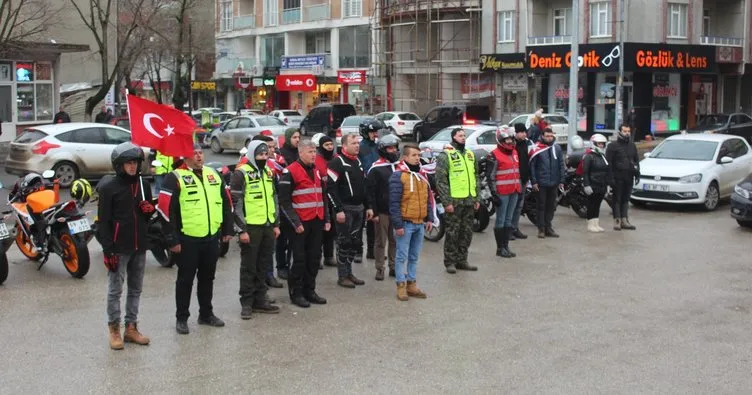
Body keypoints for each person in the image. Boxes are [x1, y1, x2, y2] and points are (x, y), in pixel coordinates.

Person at [158, 143, 234, 334]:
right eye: (195, 153)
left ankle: (206, 314)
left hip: (211, 237)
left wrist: (227, 229)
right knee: (185, 280)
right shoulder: (174, 177)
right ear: (185, 156)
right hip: (187, 239)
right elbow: (166, 211)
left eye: (201, 152)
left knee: (207, 278)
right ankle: (182, 318)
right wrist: (172, 240)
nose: (199, 156)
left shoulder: (214, 174)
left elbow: (227, 203)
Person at [96, 142, 153, 350]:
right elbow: (103, 221)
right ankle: (114, 330)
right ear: (119, 165)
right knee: (115, 290)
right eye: (128, 163)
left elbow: (146, 217)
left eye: (135, 163)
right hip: (118, 248)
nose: (132, 167)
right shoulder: (109, 187)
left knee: (136, 289)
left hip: (139, 246)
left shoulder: (143, 185)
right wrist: (107, 248)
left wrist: (148, 211)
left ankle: (131, 327)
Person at [231, 141, 281, 320]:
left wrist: (276, 224)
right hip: (250, 228)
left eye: (266, 155)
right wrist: (241, 229)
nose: (264, 158)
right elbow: (235, 205)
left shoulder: (268, 172)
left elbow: (274, 198)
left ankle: (261, 299)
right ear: (252, 155)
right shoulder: (241, 173)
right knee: (248, 267)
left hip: (267, 226)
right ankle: (246, 302)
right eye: (260, 155)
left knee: (263, 265)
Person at [278, 140, 330, 308]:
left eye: (315, 151)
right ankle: (296, 293)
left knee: (314, 258)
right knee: (298, 260)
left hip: (316, 220)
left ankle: (310, 290)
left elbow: (323, 196)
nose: (313, 154)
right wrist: (295, 222)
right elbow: (284, 201)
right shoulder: (290, 171)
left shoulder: (316, 170)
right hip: (299, 223)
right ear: (300, 153)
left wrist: (327, 219)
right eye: (310, 152)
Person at [388, 143, 433, 301]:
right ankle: (401, 285)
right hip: (405, 224)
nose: (417, 158)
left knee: (414, 256)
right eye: (413, 155)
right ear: (405, 157)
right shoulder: (398, 176)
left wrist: (429, 218)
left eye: (418, 155)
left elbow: (428, 198)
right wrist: (398, 225)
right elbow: (393, 203)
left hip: (419, 223)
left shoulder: (421, 176)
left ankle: (412, 284)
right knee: (401, 256)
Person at [327, 133, 372, 288]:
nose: (357, 145)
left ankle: (349, 272)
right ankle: (342, 276)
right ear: (344, 146)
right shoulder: (336, 163)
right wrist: (338, 209)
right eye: (353, 143)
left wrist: (369, 206)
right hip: (345, 209)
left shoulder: (358, 162)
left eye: (358, 142)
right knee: (344, 242)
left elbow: (364, 187)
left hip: (359, 209)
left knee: (355, 242)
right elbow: (330, 189)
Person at [435, 128, 480, 274]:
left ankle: (462, 260)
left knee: (466, 232)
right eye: (460, 135)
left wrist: (477, 197)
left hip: (469, 200)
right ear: (453, 137)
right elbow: (441, 181)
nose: (463, 138)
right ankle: (450, 261)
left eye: (464, 135)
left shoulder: (469, 154)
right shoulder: (446, 155)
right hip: (454, 201)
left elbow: (476, 177)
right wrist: (447, 202)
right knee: (452, 232)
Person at [367, 134, 401, 281]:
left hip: (397, 211)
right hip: (382, 212)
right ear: (383, 150)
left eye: (394, 147)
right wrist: (373, 212)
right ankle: (380, 268)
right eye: (390, 148)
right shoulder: (376, 169)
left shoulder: (400, 167)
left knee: (395, 241)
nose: (393, 150)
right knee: (381, 241)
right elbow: (370, 192)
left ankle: (393, 267)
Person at [486, 128, 521, 258]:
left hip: (515, 190)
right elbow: (490, 176)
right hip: (502, 193)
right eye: (506, 139)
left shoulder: (515, 152)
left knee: (509, 220)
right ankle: (500, 248)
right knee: (500, 220)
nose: (509, 141)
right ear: (500, 140)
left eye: (510, 139)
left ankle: (506, 246)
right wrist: (494, 194)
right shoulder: (494, 155)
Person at [529, 127, 566, 239]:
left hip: (554, 182)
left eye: (551, 136)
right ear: (543, 136)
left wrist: (562, 180)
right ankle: (541, 228)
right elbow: (532, 167)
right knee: (541, 206)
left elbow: (561, 164)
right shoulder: (536, 148)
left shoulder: (557, 148)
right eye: (547, 136)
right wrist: (534, 181)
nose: (549, 138)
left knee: (551, 206)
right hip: (541, 183)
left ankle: (548, 227)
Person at [275, 127, 300, 280]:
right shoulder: (281, 155)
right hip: (284, 200)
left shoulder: (299, 153)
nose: (297, 140)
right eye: (295, 137)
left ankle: (293, 263)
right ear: (288, 138)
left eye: (299, 137)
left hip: (297, 200)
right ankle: (281, 265)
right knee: (282, 238)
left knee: (295, 237)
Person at [606, 124, 639, 231]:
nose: (627, 133)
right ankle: (617, 220)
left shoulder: (632, 145)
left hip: (629, 176)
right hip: (617, 177)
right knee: (617, 199)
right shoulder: (612, 146)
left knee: (626, 199)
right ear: (619, 132)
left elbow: (636, 160)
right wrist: (610, 178)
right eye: (625, 131)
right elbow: (609, 163)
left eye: (628, 131)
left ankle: (625, 220)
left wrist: (638, 173)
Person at [358, 120, 382, 261]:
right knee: (360, 221)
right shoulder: (360, 148)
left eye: (376, 132)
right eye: (373, 132)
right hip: (363, 187)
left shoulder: (378, 147)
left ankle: (372, 251)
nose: (375, 134)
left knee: (374, 221)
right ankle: (358, 251)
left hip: (376, 188)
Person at [312, 133, 337, 268]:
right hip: (321, 198)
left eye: (331, 144)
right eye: (326, 145)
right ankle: (318, 257)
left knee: (331, 230)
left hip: (334, 198)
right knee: (321, 229)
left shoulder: (336, 159)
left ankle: (329, 256)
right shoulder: (316, 160)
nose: (329, 147)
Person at [582, 134, 610, 232]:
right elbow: (585, 172)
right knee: (591, 204)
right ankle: (590, 223)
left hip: (601, 185)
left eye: (602, 144)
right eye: (599, 143)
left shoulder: (603, 156)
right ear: (593, 144)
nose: (601, 146)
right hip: (592, 185)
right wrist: (587, 185)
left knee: (598, 205)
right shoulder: (589, 156)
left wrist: (607, 185)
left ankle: (596, 223)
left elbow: (607, 171)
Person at [510, 123, 533, 240]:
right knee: (512, 206)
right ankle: (508, 230)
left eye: (525, 132)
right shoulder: (512, 144)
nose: (524, 134)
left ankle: (515, 228)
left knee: (519, 206)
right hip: (514, 179)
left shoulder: (525, 144)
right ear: (516, 132)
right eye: (522, 132)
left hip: (523, 178)